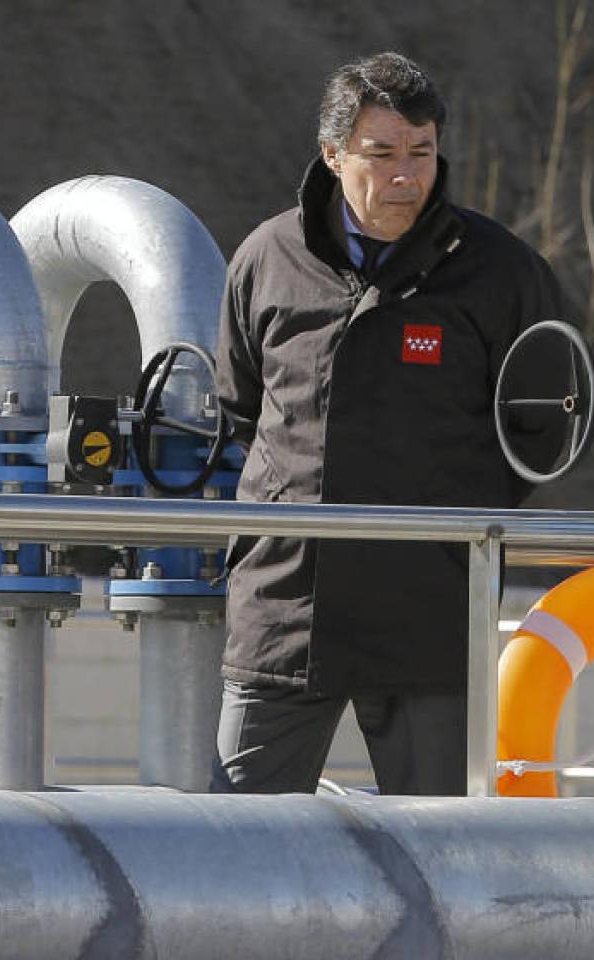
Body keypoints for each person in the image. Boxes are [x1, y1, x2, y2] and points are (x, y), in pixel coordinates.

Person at [211, 51, 565, 796]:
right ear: (333, 155)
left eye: (421, 153)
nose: (405, 176)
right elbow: (240, 410)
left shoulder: (500, 271)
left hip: (427, 614)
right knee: (238, 846)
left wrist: (453, 513)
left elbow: (549, 429)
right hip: (284, 608)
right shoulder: (268, 258)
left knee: (437, 861)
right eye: (380, 155)